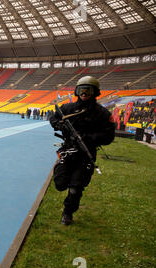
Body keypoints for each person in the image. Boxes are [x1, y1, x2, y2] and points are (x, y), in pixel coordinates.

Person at [49, 76, 115, 225]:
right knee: (60, 184)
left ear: (95, 92)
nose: (84, 93)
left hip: (86, 154)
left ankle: (67, 213)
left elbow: (109, 136)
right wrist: (58, 125)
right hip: (68, 150)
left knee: (76, 188)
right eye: (81, 90)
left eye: (88, 90)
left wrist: (90, 138)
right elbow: (53, 117)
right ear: (76, 91)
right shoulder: (68, 108)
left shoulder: (103, 114)